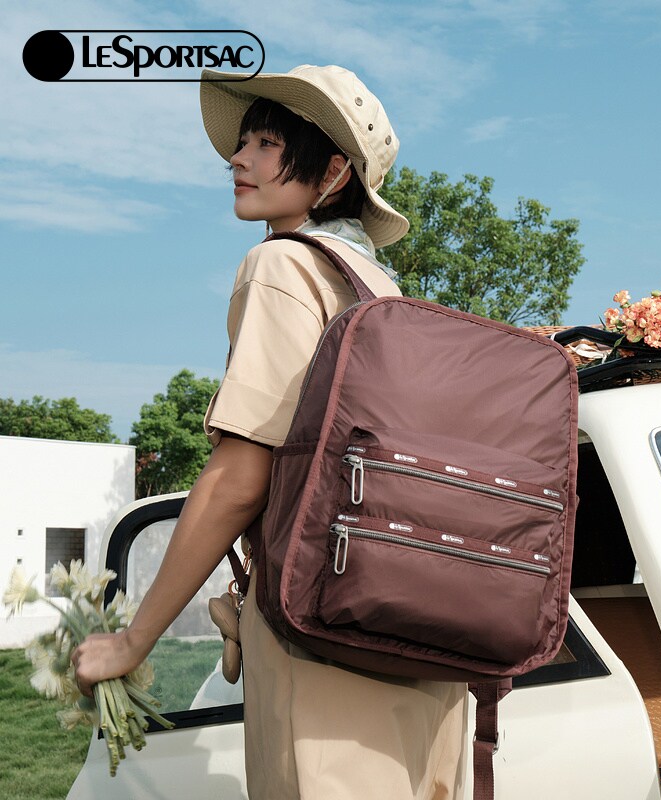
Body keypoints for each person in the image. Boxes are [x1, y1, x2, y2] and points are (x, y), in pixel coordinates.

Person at [71, 64, 468, 799]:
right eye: (242, 142)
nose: (237, 158)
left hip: (325, 641)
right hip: (423, 638)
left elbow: (241, 477)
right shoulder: (382, 289)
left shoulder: (281, 266)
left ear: (333, 171)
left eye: (265, 143)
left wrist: (132, 640)